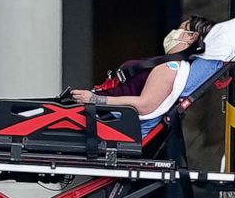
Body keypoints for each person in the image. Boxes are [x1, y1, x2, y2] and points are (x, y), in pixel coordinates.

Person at [71, 16, 217, 136]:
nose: (174, 32)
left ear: (192, 37)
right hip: (99, 116)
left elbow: (145, 105)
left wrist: (96, 99)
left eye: (180, 29)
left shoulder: (170, 68)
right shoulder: (167, 64)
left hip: (105, 119)